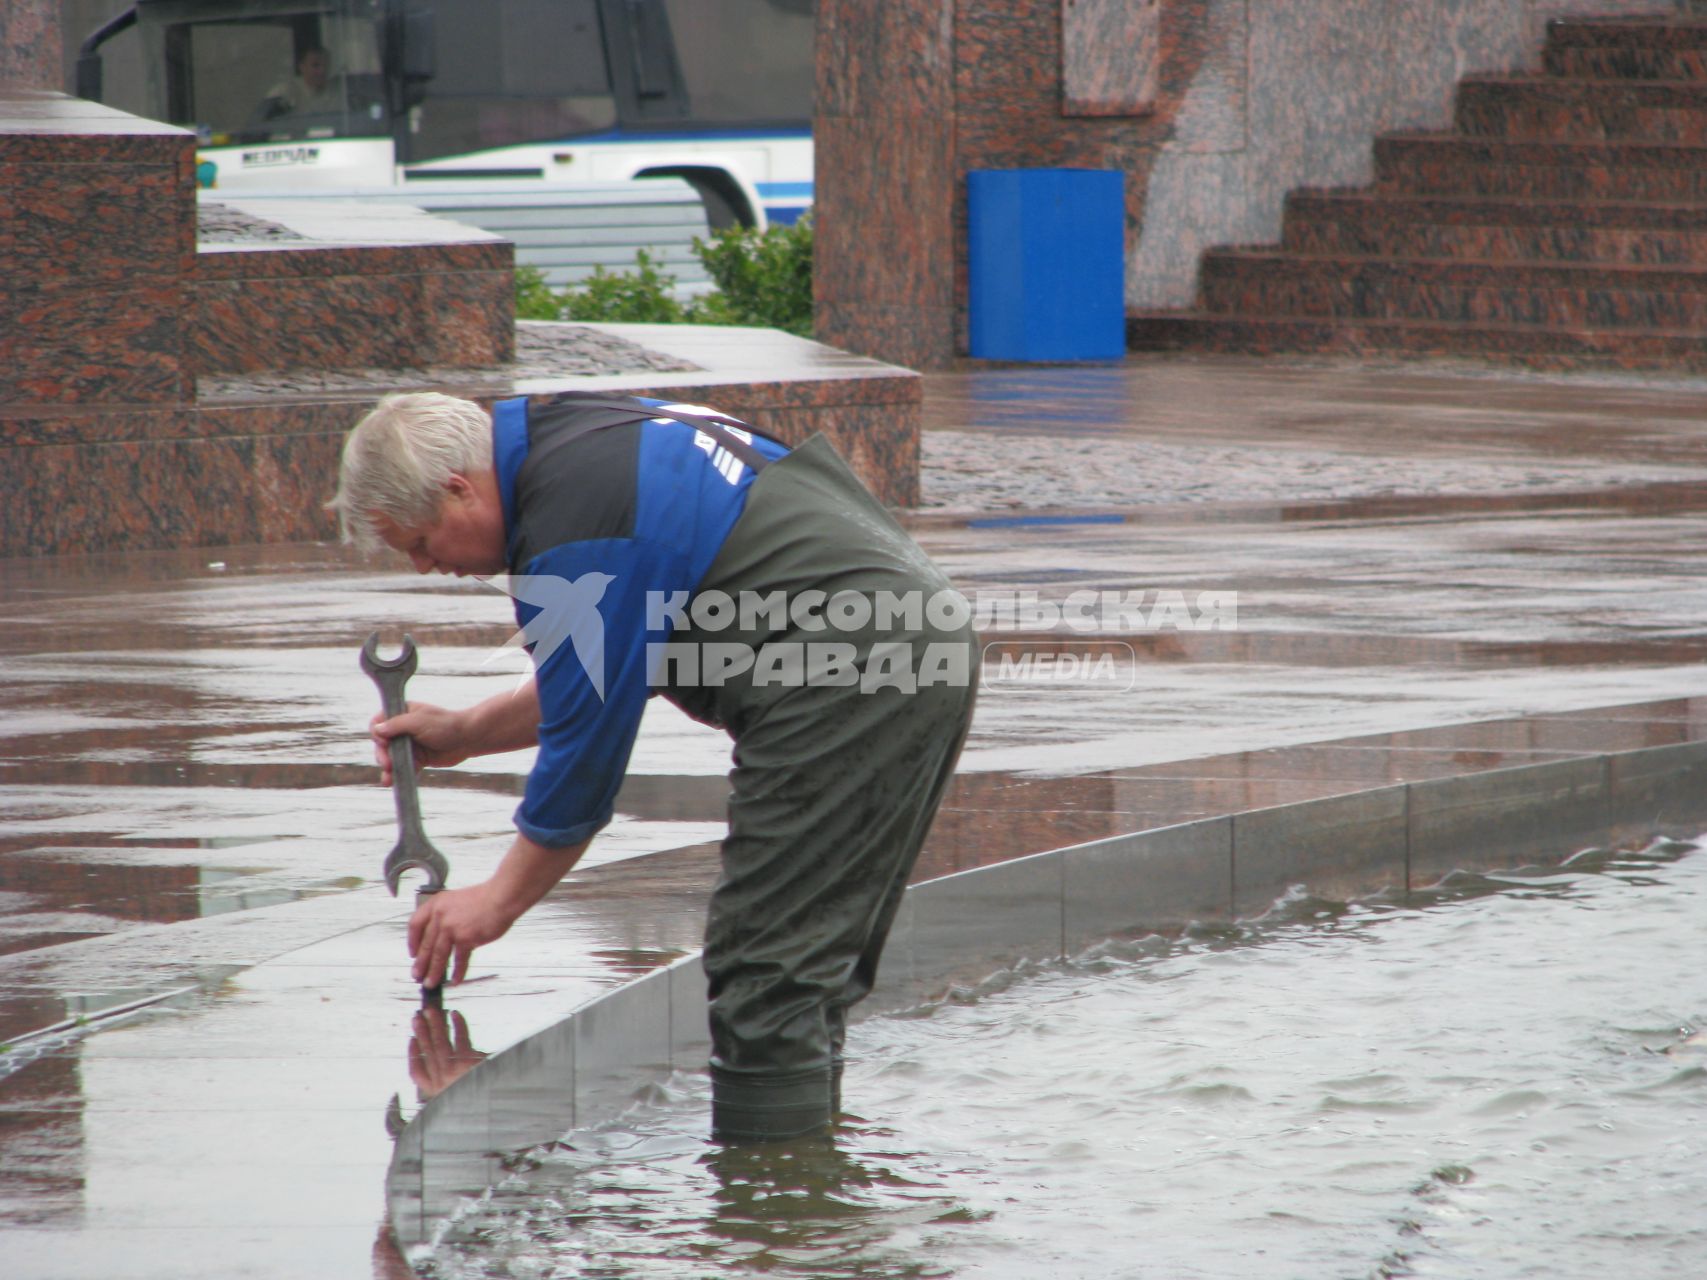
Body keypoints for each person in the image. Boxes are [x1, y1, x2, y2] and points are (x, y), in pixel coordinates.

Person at [328, 391, 977, 1141]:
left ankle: (779, 1218)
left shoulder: (573, 527)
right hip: (909, 639)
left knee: (764, 982)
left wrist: (495, 902)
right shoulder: (573, 439)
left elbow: (585, 752)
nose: (424, 565)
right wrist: (470, 729)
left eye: (420, 540)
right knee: (801, 968)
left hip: (852, 674)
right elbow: (604, 656)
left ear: (459, 490)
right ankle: (814, 1175)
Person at [257, 46, 343, 121]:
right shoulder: (284, 91)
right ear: (302, 67)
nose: (322, 71)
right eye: (315, 65)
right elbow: (263, 122)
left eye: (326, 65)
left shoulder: (339, 91)